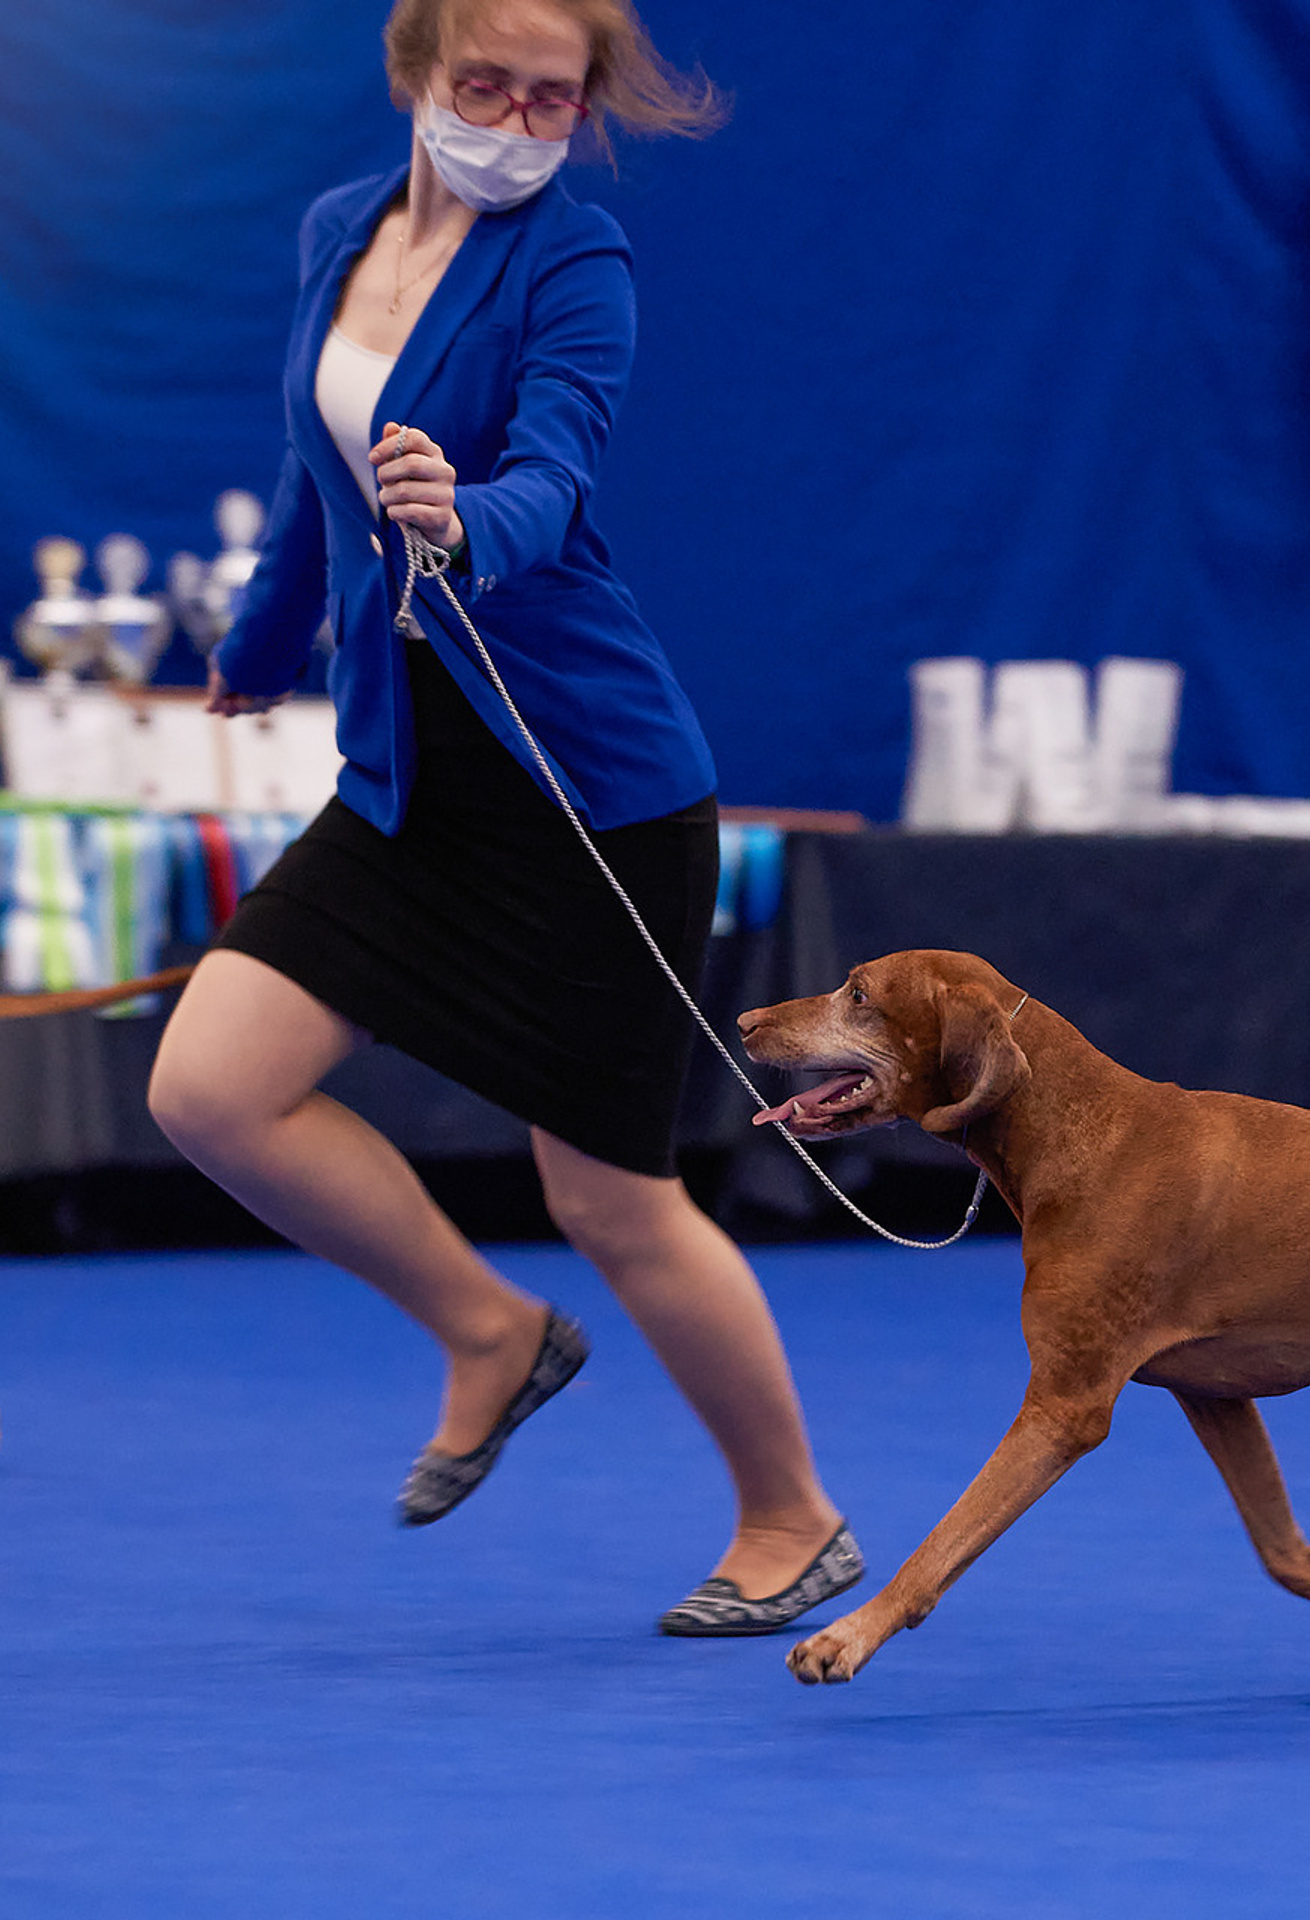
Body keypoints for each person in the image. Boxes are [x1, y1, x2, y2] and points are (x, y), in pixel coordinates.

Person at [147, 0, 863, 1635]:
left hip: (588, 788)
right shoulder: (343, 229)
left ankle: (794, 1519)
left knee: (610, 1197)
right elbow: (307, 475)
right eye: (488, 87)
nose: (520, 123)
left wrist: (467, 522)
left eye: (555, 100)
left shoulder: (577, 264)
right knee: (211, 1088)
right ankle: (489, 1331)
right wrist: (258, 644)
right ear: (414, 74)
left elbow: (557, 475)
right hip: (410, 778)